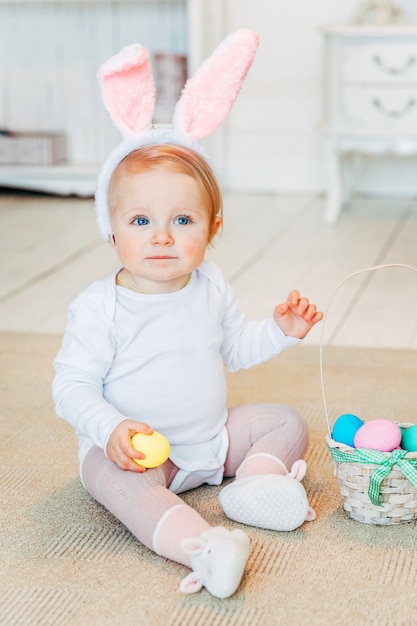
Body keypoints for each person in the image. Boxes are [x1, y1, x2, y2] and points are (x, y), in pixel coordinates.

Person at [52, 30, 323, 599]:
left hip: (212, 440)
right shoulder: (101, 307)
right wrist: (111, 430)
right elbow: (72, 387)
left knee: (287, 422)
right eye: (141, 221)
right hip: (143, 455)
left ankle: (253, 488)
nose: (162, 238)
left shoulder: (210, 285)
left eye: (182, 220)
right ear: (111, 228)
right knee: (109, 479)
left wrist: (280, 330)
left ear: (212, 229)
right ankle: (203, 546)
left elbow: (234, 349)